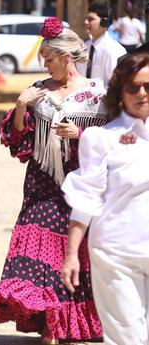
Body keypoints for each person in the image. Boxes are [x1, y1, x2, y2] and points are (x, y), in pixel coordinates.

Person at [0, 17, 106, 344]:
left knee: (70, 252)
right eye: (43, 60)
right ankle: (48, 322)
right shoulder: (39, 92)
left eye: (50, 60)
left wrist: (80, 133)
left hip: (77, 183)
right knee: (38, 247)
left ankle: (63, 323)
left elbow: (111, 139)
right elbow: (17, 139)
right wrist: (22, 104)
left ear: (67, 58)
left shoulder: (97, 94)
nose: (45, 66)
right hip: (41, 185)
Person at [61, 52, 149, 345]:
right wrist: (72, 253)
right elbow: (87, 197)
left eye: (148, 86)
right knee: (129, 338)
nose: (142, 94)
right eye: (133, 87)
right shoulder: (100, 138)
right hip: (115, 253)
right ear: (120, 93)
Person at [77, 1, 126, 88]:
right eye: (86, 18)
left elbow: (115, 84)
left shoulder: (114, 50)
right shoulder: (84, 47)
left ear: (104, 22)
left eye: (91, 19)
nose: (86, 22)